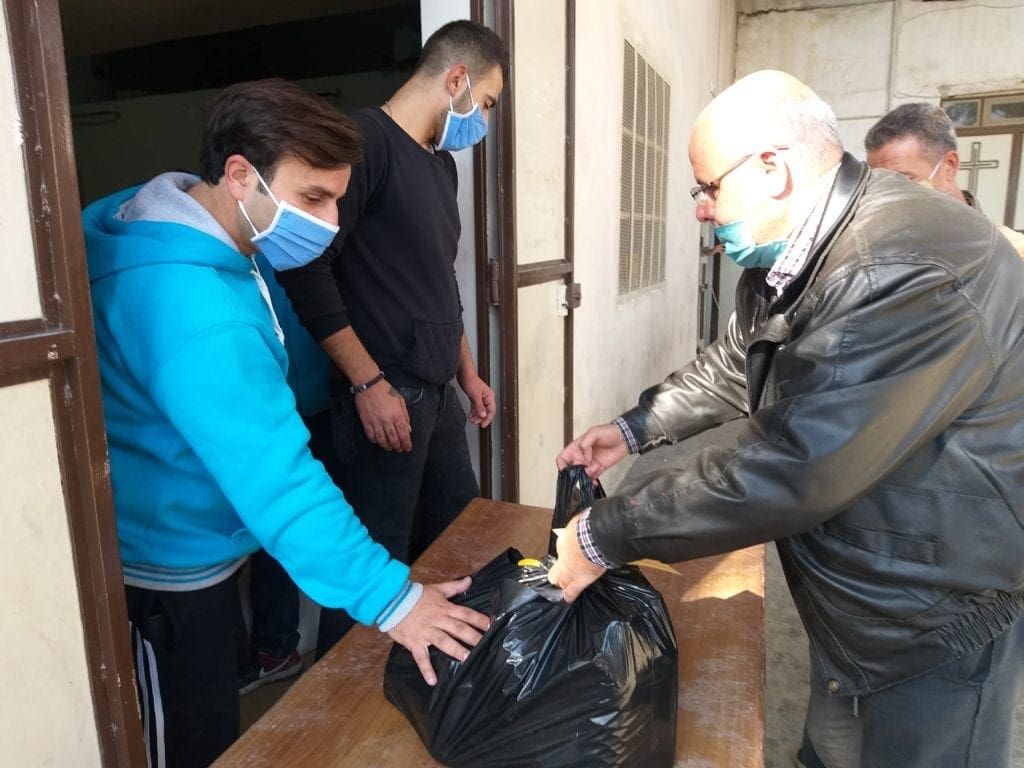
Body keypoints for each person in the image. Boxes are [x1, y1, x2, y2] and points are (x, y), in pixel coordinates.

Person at [549, 70, 1024, 768]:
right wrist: (633, 429)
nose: (702, 210)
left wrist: (605, 533)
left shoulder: (893, 264)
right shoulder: (795, 251)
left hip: (938, 607)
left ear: (772, 169)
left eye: (708, 188)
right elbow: (739, 360)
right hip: (863, 584)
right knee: (831, 750)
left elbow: (799, 462)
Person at [83, 79, 490, 768]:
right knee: (195, 737)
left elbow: (281, 370)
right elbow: (278, 479)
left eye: (336, 198)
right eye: (313, 199)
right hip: (172, 569)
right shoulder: (193, 308)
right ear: (240, 175)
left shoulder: (199, 225)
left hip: (204, 525)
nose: (331, 223)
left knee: (217, 714)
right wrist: (393, 599)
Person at [275, 20, 506, 657]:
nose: (482, 119)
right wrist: (368, 383)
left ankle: (449, 674)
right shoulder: (363, 143)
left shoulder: (442, 168)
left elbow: (440, 284)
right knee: (369, 565)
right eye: (485, 102)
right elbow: (307, 269)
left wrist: (469, 372)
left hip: (435, 395)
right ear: (455, 80)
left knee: (459, 535)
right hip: (384, 396)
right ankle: (333, 705)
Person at [865, 102, 1024, 257]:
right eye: (878, 182)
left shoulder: (1011, 251)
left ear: (949, 166)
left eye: (903, 179)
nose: (886, 195)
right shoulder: (879, 249)